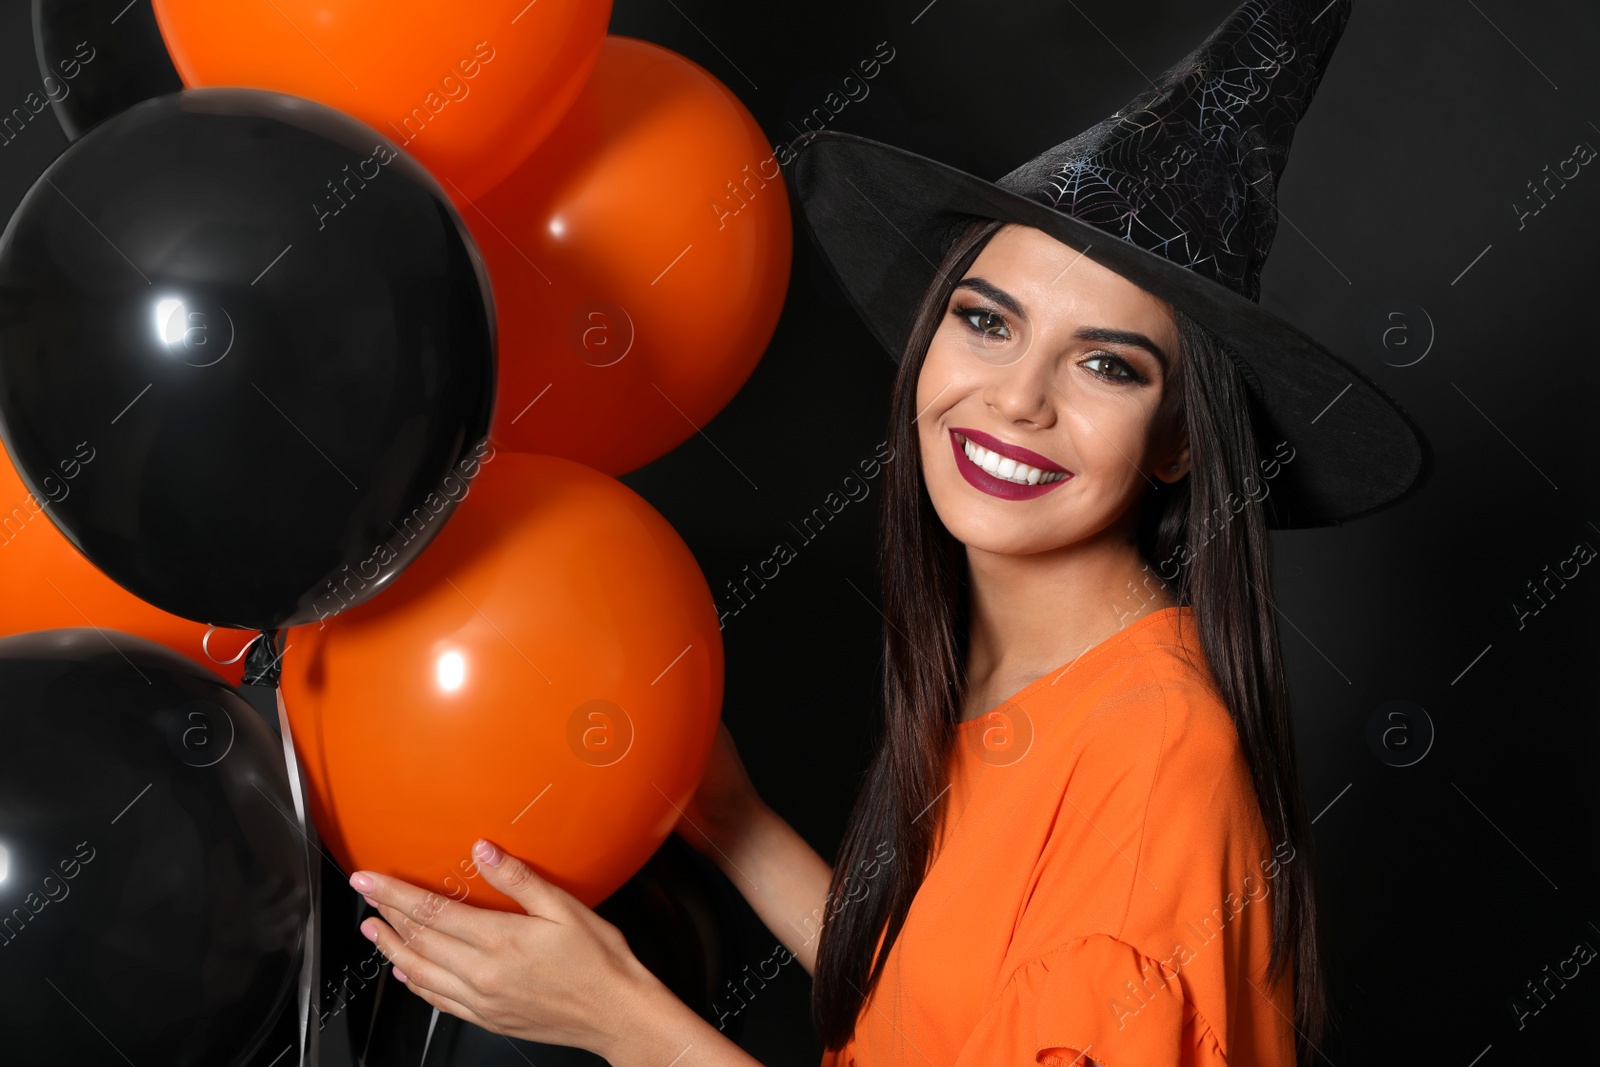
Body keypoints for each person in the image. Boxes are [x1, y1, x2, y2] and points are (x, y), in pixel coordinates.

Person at [350, 1, 1431, 1064]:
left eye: (1107, 364)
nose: (1016, 398)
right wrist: (732, 821)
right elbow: (943, 1016)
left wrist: (623, 1021)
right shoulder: (1036, 676)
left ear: (1178, 444)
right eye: (986, 319)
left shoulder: (1159, 763)